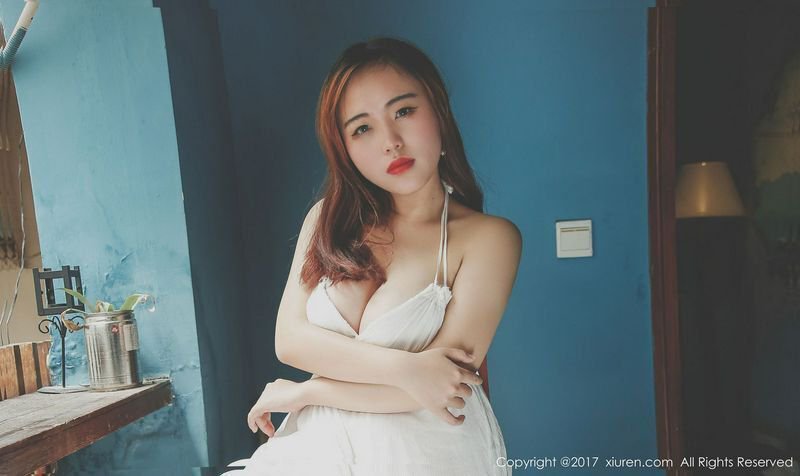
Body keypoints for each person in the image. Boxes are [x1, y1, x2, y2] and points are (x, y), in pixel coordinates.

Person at [234, 37, 522, 476]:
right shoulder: (326, 219)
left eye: (403, 111)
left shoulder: (489, 239)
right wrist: (409, 368)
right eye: (362, 128)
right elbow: (289, 340)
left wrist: (307, 392)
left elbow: (444, 386)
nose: (390, 142)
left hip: (428, 455)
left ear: (438, 111)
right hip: (314, 451)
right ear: (345, 149)